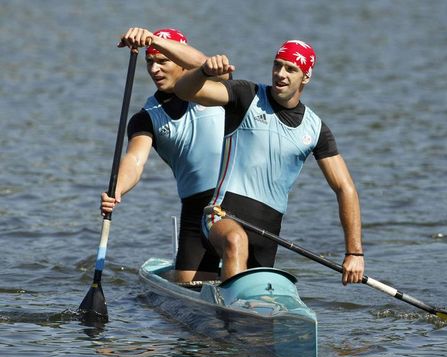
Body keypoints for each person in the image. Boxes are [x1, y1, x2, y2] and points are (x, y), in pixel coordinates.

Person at [174, 40, 365, 284]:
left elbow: (345, 188)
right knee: (235, 241)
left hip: (268, 234)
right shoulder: (246, 96)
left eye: (290, 69)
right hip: (221, 216)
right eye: (277, 66)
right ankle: (233, 315)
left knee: (257, 302)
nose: (280, 74)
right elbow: (184, 91)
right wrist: (203, 72)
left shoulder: (316, 129)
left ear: (305, 78)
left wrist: (354, 252)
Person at [101, 27, 227, 282]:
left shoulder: (213, 86)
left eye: (162, 61)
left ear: (180, 60)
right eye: (149, 62)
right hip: (197, 209)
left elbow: (209, 65)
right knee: (189, 285)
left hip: (237, 197)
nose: (154, 70)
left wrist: (153, 38)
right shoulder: (146, 117)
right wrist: (117, 190)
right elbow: (135, 160)